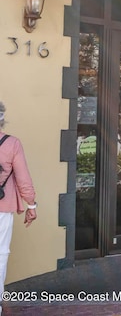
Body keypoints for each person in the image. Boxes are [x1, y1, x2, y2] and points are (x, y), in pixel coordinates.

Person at [0, 102, 37, 310]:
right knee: (0, 255)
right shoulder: (12, 144)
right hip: (2, 209)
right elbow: (23, 179)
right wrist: (31, 206)